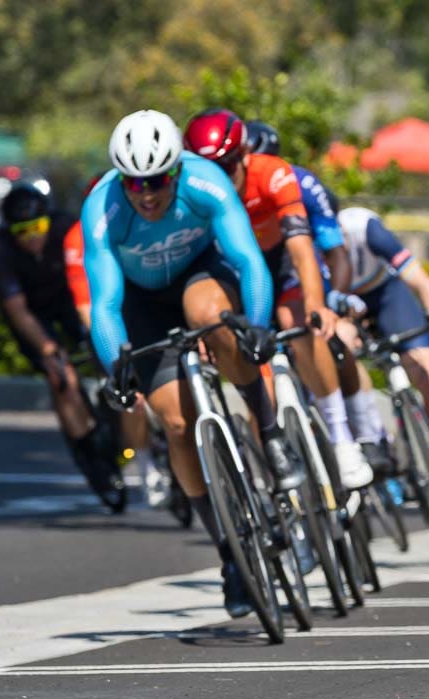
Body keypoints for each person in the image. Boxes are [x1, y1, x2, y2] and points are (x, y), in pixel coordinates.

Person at [84, 109, 305, 618]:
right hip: (142, 303)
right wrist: (116, 366)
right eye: (135, 183)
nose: (147, 193)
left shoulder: (204, 182)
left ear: (177, 170)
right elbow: (105, 305)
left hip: (200, 275)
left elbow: (248, 259)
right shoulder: (103, 211)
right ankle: (229, 551)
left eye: (157, 180)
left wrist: (256, 324)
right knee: (179, 424)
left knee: (212, 316)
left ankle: (270, 434)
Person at [184, 110, 373, 490]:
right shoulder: (193, 190)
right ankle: (277, 485)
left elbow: (303, 251)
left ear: (245, 155)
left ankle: (341, 439)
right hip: (235, 274)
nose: (220, 176)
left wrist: (318, 306)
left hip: (280, 264)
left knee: (298, 323)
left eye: (227, 165)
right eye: (210, 168)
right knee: (260, 383)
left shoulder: (273, 174)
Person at [243, 121, 388, 475]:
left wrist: (334, 302)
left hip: (298, 266)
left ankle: (359, 436)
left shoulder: (301, 184)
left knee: (329, 338)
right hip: (253, 276)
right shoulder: (229, 190)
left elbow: (334, 252)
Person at [335, 205, 429, 521]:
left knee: (428, 374)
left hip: (386, 294)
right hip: (344, 307)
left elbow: (422, 284)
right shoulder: (305, 245)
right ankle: (375, 439)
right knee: (341, 354)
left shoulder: (366, 229)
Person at [63, 175, 167, 508]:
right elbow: (87, 307)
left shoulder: (146, 214)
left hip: (149, 305)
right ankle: (146, 464)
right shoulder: (79, 237)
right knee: (131, 394)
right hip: (112, 320)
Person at [0, 183, 99, 471]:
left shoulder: (65, 228)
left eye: (38, 227)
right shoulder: (0, 250)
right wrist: (48, 349)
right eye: (22, 231)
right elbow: (17, 308)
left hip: (67, 300)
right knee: (62, 377)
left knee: (100, 350)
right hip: (33, 315)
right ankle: (86, 446)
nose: (33, 237)